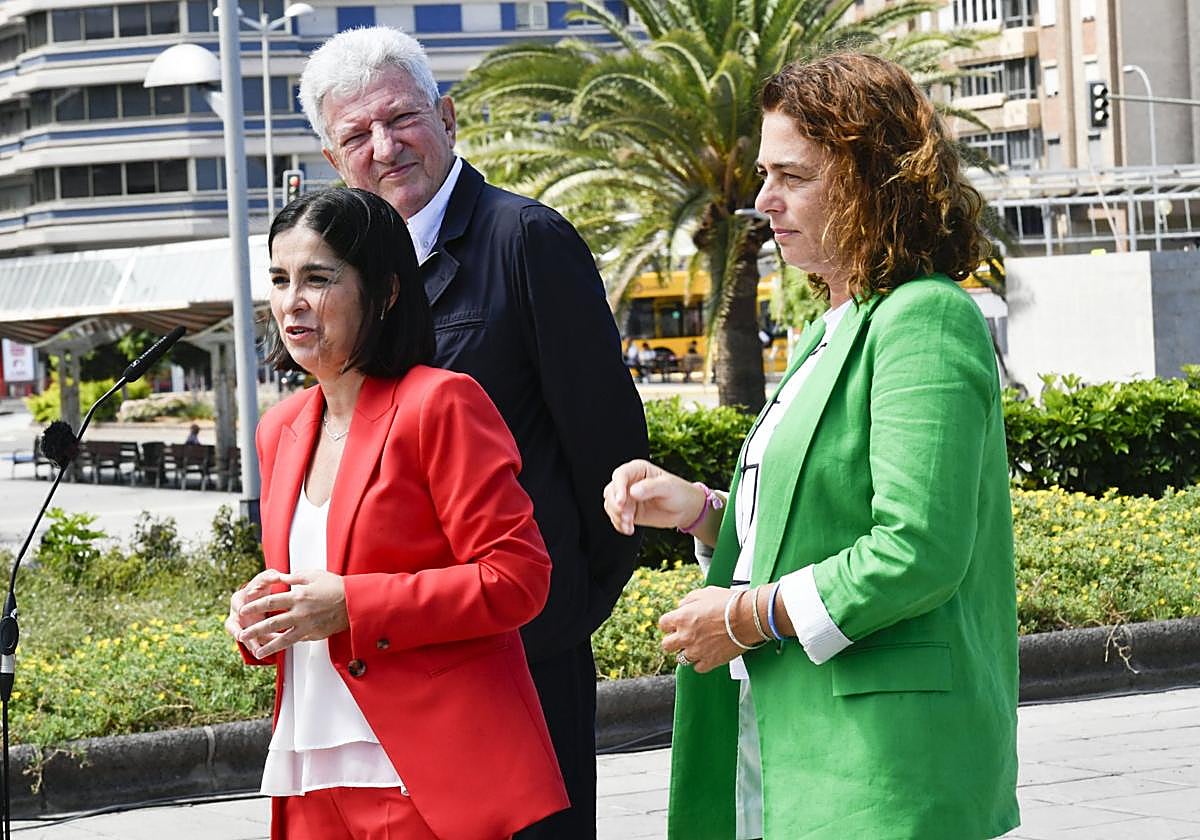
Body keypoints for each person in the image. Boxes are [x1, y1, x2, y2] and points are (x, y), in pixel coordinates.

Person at [603, 53, 1019, 839]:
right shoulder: (839, 325)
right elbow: (821, 514)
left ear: (873, 181)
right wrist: (703, 512)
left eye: (793, 176)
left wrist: (745, 615)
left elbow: (917, 549)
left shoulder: (923, 319)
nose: (764, 201)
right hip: (804, 742)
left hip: (885, 762)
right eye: (766, 174)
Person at [298, 28, 648, 838]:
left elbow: (610, 450)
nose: (385, 147)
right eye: (357, 134)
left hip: (521, 654)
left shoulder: (525, 240)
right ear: (332, 159)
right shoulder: (348, 280)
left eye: (402, 118)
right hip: (401, 660)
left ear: (448, 118)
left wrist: (559, 618)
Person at [225, 188, 568, 839]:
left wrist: (353, 605)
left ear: (385, 293)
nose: (292, 301)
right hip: (307, 768)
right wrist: (262, 617)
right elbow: (311, 589)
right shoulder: (280, 428)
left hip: (420, 771)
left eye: (317, 278)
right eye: (279, 279)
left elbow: (518, 577)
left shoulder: (440, 403)